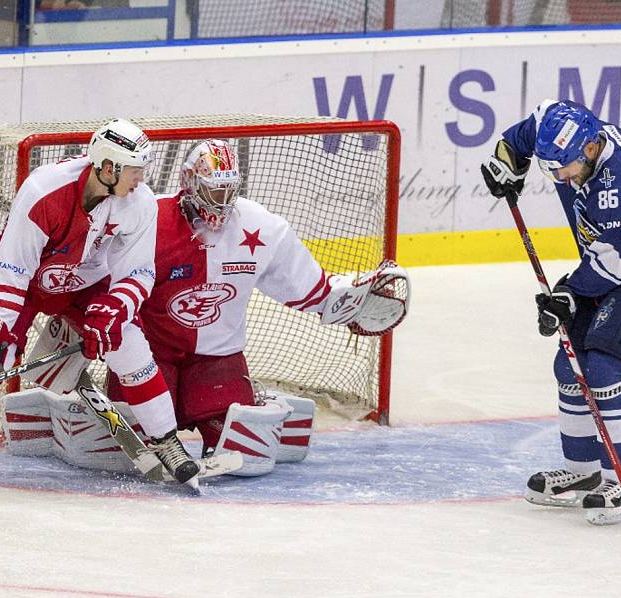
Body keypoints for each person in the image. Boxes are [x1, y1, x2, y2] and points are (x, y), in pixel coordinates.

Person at [96, 138, 410, 475]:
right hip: (149, 354)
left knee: (243, 452)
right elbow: (98, 276)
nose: (224, 201)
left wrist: (349, 301)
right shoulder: (146, 219)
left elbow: (309, 286)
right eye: (216, 191)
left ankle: (253, 403)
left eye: (230, 190)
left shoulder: (260, 226)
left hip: (217, 356)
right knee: (129, 447)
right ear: (189, 182)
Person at [0, 118, 200, 484]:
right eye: (135, 170)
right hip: (28, 283)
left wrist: (115, 308)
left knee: (128, 344)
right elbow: (12, 268)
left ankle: (166, 441)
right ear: (108, 167)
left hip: (87, 283)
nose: (141, 179)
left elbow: (138, 272)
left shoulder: (139, 203)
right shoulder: (43, 190)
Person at [481, 99, 621, 525]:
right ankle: (582, 473)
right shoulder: (564, 129)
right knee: (570, 365)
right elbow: (527, 133)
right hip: (614, 263)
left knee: (603, 368)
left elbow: (620, 262)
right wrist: (508, 160)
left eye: (564, 168)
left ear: (591, 149)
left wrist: (570, 294)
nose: (559, 177)